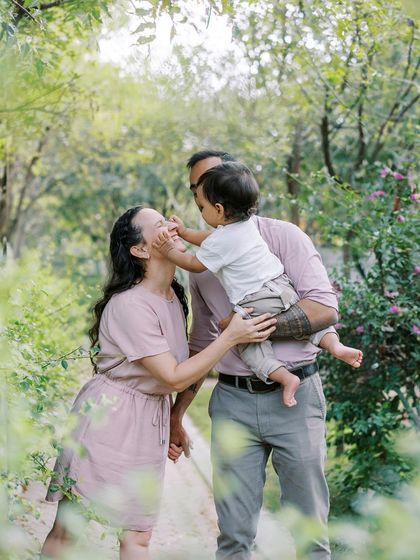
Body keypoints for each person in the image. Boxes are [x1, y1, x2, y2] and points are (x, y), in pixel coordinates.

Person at [40, 205, 276, 560]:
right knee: (70, 527)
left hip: (147, 422)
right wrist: (229, 338)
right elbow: (171, 374)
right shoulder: (129, 305)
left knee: (138, 536)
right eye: (159, 224)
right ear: (140, 249)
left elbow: (179, 371)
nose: (170, 226)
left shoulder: (172, 298)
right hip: (108, 420)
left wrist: (173, 418)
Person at [169, 150, 341, 560]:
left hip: (296, 401)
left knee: (310, 537)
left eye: (209, 181)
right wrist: (177, 415)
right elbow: (200, 344)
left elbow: (324, 309)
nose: (201, 192)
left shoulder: (283, 236)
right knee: (233, 538)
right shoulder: (207, 261)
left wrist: (247, 329)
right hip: (232, 402)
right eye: (196, 186)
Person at [153, 161, 362, 407]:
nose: (201, 212)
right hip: (282, 286)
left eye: (201, 207)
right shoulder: (244, 227)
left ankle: (284, 377)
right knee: (307, 323)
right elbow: (211, 238)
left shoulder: (226, 241)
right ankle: (335, 346)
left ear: (218, 209)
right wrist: (186, 232)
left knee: (244, 338)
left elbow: (194, 262)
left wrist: (168, 250)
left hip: (256, 299)